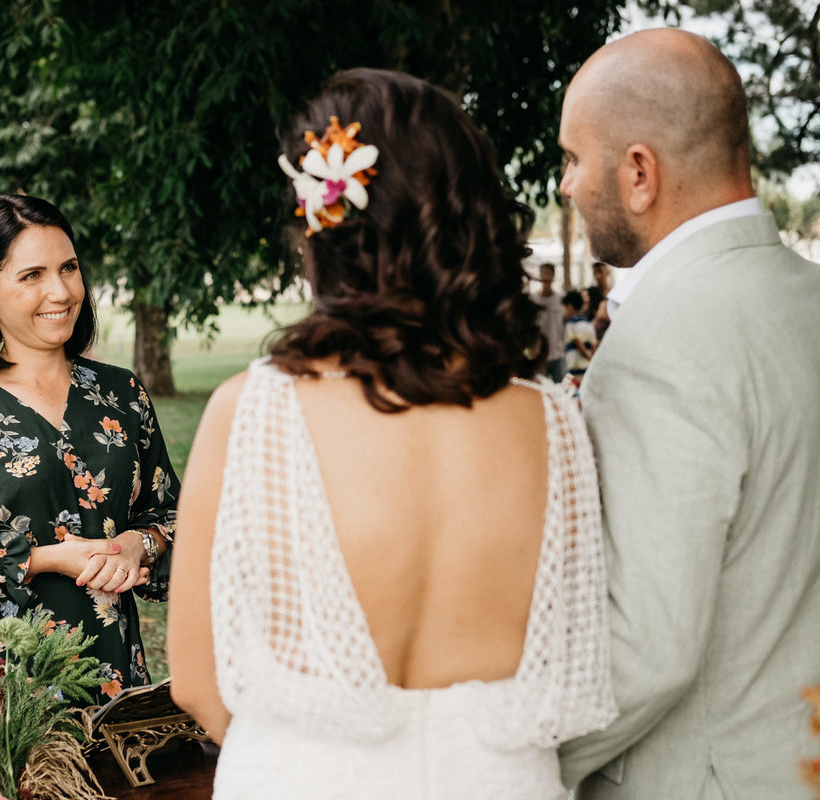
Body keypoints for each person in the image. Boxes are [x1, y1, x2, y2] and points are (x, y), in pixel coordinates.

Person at [166, 68, 616, 800]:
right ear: (471, 220)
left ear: (325, 222)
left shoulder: (251, 411)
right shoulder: (554, 420)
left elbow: (197, 682)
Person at [555, 28, 820, 799]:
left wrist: (532, 765)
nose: (566, 185)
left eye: (572, 158)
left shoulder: (655, 343)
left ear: (640, 171)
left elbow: (648, 644)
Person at [0, 194, 179, 703]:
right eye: (32, 276)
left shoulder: (122, 394)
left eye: (68, 268)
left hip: (118, 683)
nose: (60, 291)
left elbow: (175, 517)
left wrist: (142, 544)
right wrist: (47, 559)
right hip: (8, 702)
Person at [532, 262, 567, 381]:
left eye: (548, 273)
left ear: (553, 276)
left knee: (561, 388)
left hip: (558, 353)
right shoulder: (533, 300)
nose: (545, 277)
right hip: (539, 354)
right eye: (543, 273)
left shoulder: (561, 298)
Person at [562, 289, 596, 381]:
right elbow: (593, 344)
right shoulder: (588, 323)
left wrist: (588, 357)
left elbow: (577, 342)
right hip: (587, 367)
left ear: (570, 306)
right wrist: (592, 360)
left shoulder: (571, 323)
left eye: (565, 307)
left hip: (575, 368)